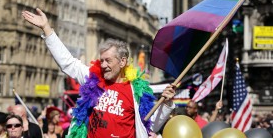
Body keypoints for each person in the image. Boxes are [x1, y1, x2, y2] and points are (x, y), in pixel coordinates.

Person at [22, 8, 177, 138]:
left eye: (108, 61)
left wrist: (167, 103)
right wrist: (47, 29)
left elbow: (151, 124)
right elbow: (67, 62)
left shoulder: (136, 91)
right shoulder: (94, 79)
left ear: (122, 61)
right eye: (101, 60)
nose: (103, 65)